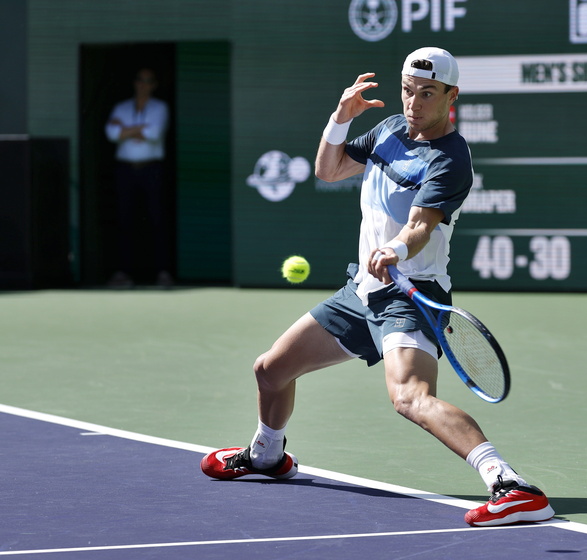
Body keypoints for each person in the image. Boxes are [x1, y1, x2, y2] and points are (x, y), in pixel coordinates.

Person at [200, 47, 555, 527]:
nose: (414, 101)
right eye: (409, 90)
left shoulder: (450, 158)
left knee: (410, 397)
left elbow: (420, 227)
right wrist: (340, 118)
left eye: (427, 93)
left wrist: (396, 251)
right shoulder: (388, 129)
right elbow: (329, 170)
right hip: (363, 291)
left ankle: (512, 486)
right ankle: (267, 455)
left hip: (412, 295)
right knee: (270, 370)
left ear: (451, 96)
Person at [104, 67, 173, 288]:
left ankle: (163, 272)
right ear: (134, 83)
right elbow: (111, 134)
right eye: (140, 80)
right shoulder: (121, 107)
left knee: (156, 220)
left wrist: (125, 129)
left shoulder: (160, 108)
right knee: (124, 221)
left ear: (154, 85)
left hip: (152, 170)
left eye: (148, 81)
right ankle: (124, 273)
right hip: (125, 170)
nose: (143, 84)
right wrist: (139, 129)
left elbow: (154, 134)